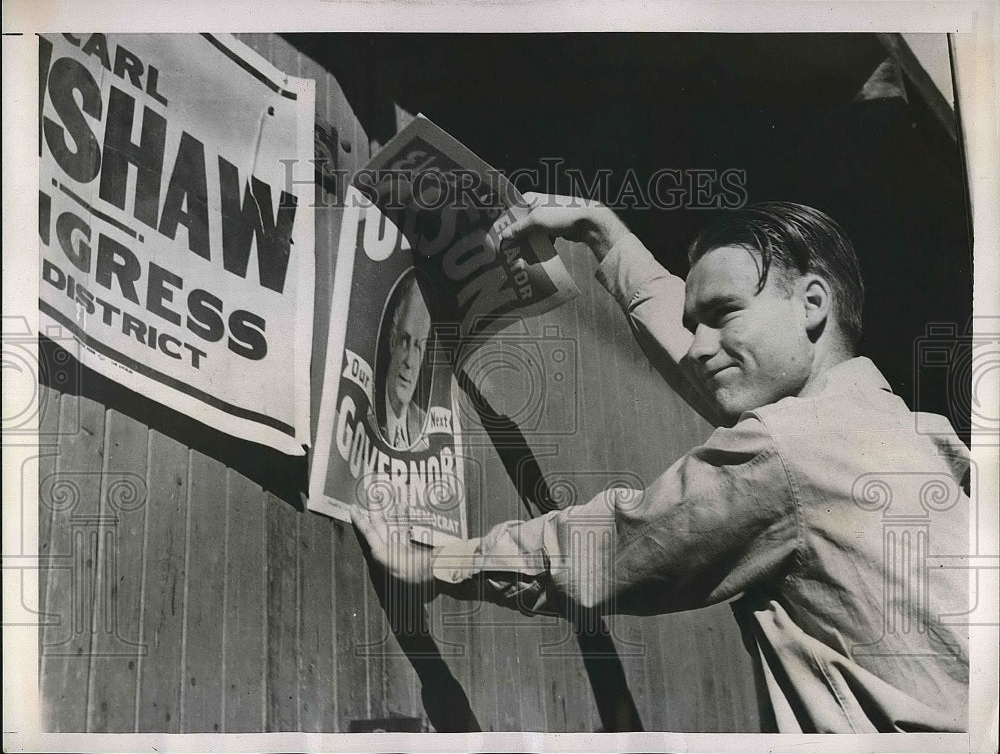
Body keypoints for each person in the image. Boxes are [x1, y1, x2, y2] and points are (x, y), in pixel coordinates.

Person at [352, 194, 970, 733]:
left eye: (723, 314)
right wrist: (605, 236)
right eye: (691, 324)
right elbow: (720, 377)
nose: (700, 348)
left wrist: (440, 564)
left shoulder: (788, 450)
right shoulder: (915, 437)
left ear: (811, 303)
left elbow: (617, 543)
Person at [375, 274, 431, 451]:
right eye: (405, 340)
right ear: (392, 341)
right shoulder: (368, 409)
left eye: (418, 346)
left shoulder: (426, 427)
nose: (409, 362)